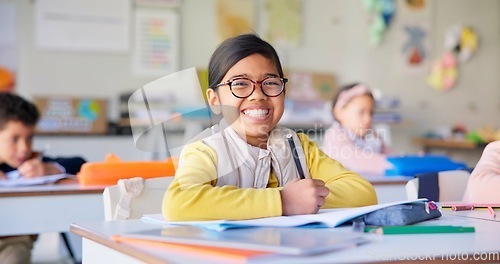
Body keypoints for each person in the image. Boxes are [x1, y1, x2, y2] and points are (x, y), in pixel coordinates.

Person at [162, 34, 377, 221]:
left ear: (283, 90)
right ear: (215, 99)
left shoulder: (299, 147)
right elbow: (178, 203)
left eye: (270, 82)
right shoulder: (206, 151)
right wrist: (283, 201)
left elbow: (363, 192)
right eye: (240, 84)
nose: (258, 95)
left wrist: (306, 199)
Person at [0, 92, 86, 264]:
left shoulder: (30, 162)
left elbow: (79, 163)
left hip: (14, 241)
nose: (24, 148)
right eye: (14, 139)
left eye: (29, 138)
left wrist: (49, 169)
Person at [321, 83, 392, 176]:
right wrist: (393, 164)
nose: (368, 119)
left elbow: (391, 154)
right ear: (339, 112)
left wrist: (409, 160)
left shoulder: (372, 135)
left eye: (371, 113)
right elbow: (355, 160)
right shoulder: (335, 135)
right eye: (361, 112)